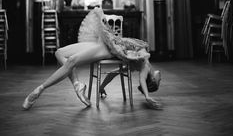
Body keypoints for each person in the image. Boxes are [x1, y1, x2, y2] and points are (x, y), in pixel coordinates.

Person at [22, 7, 161, 110]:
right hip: (104, 41)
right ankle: (78, 85)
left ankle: (39, 90)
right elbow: (113, 74)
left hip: (107, 49)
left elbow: (142, 79)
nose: (160, 77)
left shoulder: (145, 65)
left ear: (153, 80)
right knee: (59, 53)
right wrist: (101, 86)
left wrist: (148, 97)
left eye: (158, 80)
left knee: (71, 61)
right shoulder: (138, 63)